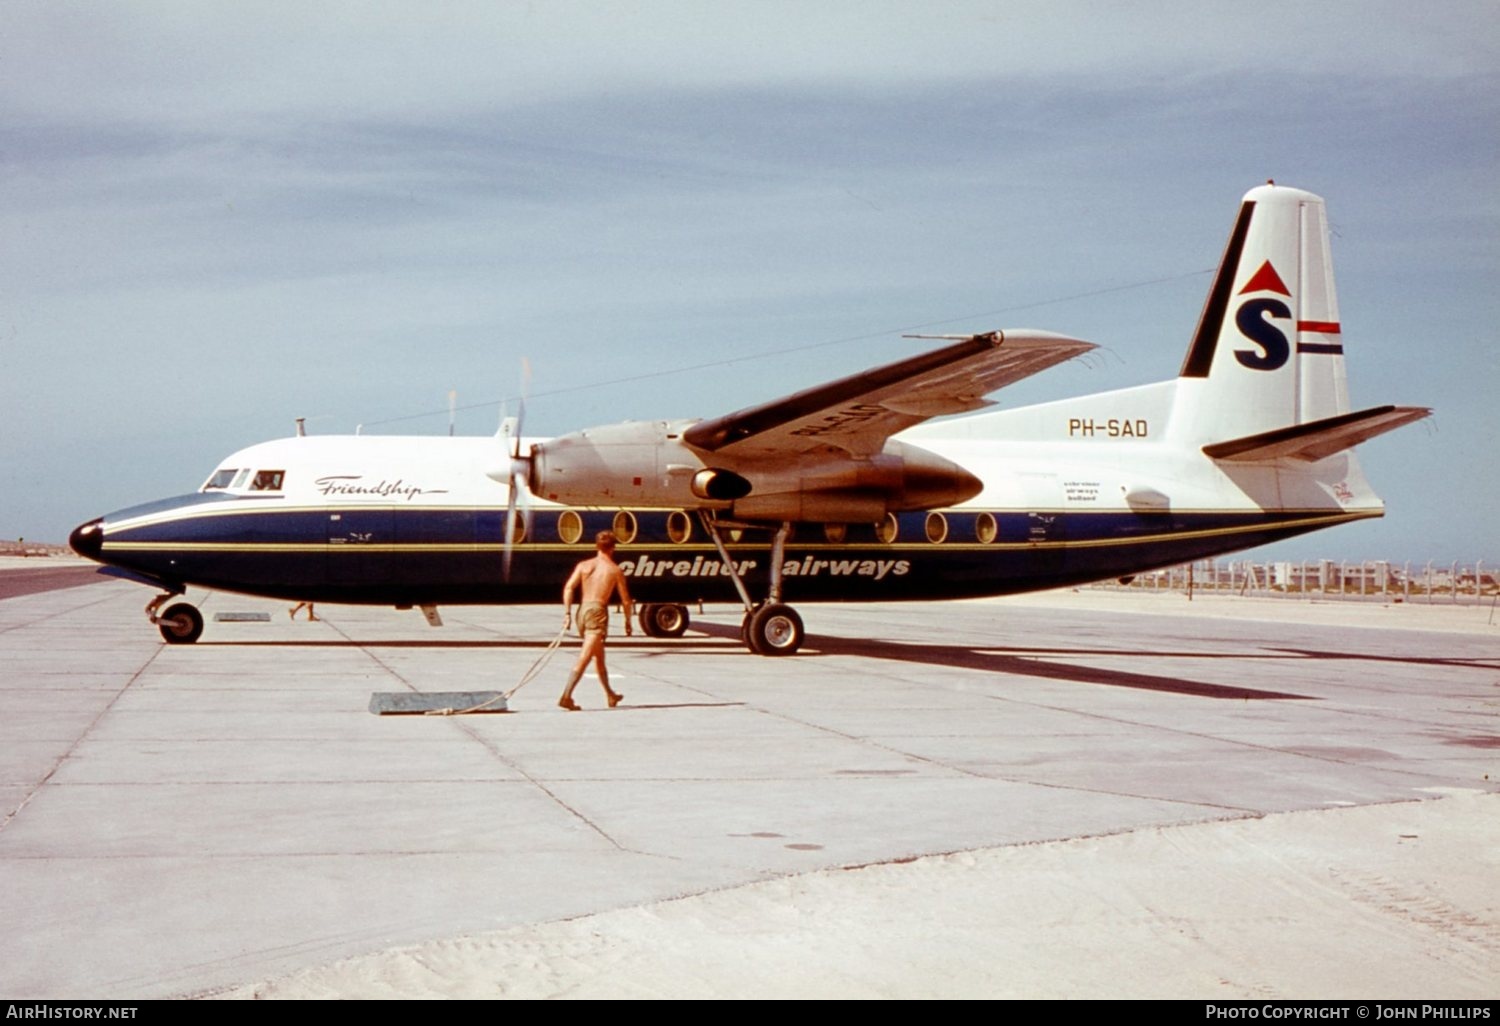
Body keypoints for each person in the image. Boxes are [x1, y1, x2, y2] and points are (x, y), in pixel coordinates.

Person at [558, 530, 632, 710]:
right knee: (585, 656)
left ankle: (610, 694)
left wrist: (567, 613)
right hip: (597, 613)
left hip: (582, 611)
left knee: (599, 656)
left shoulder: (584, 565)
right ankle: (566, 696)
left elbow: (569, 587)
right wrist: (628, 621)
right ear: (613, 548)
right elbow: (626, 600)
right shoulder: (614, 570)